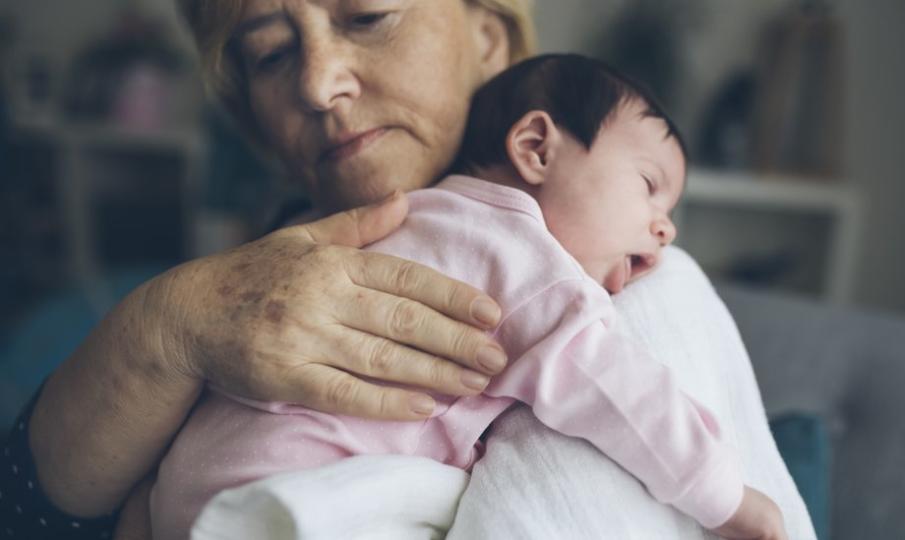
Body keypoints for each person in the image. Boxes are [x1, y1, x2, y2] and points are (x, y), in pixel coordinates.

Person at [0, 1, 805, 539]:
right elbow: (29, 512)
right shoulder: (240, 278)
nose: (319, 84)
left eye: (369, 13)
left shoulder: (633, 277)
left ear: (486, 33)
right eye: (270, 55)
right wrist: (164, 328)